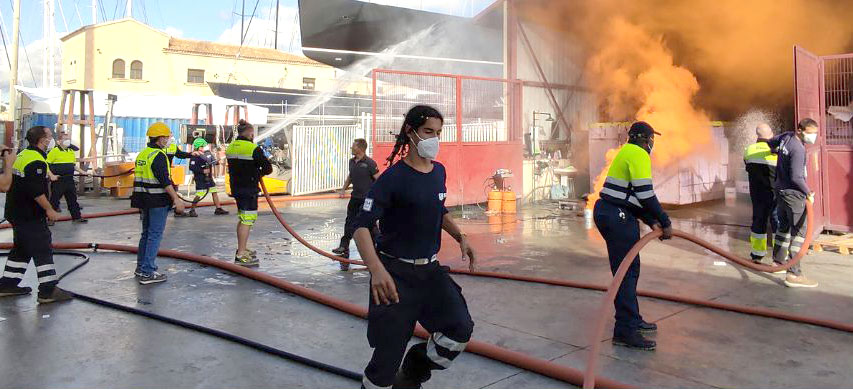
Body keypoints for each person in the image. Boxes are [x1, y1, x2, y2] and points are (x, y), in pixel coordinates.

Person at [352, 105, 476, 389]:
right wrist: (377, 271)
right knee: (386, 360)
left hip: (429, 273)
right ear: (411, 132)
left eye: (438, 133)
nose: (435, 139)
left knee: (459, 330)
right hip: (395, 277)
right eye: (428, 131)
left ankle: (411, 373)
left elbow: (438, 209)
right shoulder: (393, 179)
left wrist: (460, 236)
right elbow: (361, 227)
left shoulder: (438, 172)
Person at [593, 121, 672, 351]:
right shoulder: (639, 154)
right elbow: (645, 195)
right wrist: (665, 221)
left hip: (611, 211)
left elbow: (630, 196)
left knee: (629, 268)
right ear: (645, 139)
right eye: (652, 139)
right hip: (617, 216)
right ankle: (625, 331)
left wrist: (650, 221)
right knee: (626, 273)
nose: (652, 144)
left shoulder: (626, 151)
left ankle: (632, 319)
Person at [0, 126, 72, 303]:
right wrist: (49, 209)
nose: (52, 139)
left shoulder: (23, 155)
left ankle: (8, 284)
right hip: (29, 214)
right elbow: (36, 191)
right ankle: (48, 290)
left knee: (22, 248)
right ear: (43, 140)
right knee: (42, 247)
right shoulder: (36, 161)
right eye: (50, 136)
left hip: (15, 211)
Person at [767, 118, 820, 288]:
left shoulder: (786, 137)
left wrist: (776, 151)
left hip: (781, 191)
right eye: (810, 133)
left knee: (783, 227)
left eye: (815, 133)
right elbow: (796, 177)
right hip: (793, 194)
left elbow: (771, 142)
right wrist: (808, 192)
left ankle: (778, 263)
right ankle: (794, 273)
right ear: (800, 130)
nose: (813, 136)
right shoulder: (798, 149)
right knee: (799, 232)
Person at [131, 122, 186, 285]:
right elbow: (164, 181)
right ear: (160, 138)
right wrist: (176, 199)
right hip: (157, 200)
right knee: (154, 235)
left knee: (146, 234)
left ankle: (141, 267)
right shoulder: (159, 155)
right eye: (167, 137)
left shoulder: (143, 154)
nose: (168, 140)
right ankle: (148, 272)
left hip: (143, 199)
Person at [226, 120, 272, 267]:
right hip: (249, 189)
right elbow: (268, 168)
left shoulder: (231, 147)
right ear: (251, 134)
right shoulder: (253, 148)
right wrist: (258, 172)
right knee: (247, 220)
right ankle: (241, 254)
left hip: (236, 188)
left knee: (242, 218)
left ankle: (242, 248)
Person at [331, 138, 379, 270]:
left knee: (368, 224)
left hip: (367, 200)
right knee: (349, 222)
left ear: (359, 148)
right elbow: (350, 177)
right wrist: (343, 189)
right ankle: (344, 247)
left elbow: (379, 180)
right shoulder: (351, 162)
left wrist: (376, 196)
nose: (351, 148)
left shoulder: (370, 163)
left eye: (353, 146)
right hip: (355, 198)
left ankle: (378, 249)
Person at [744, 123, 778, 262]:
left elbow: (747, 166)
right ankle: (779, 256)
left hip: (757, 194)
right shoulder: (776, 150)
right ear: (771, 134)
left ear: (757, 135)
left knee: (758, 221)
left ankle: (757, 255)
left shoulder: (749, 149)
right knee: (777, 222)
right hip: (775, 193)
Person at [46, 131, 90, 224]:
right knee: (54, 200)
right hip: (59, 180)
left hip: (69, 180)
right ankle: (50, 219)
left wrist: (83, 172)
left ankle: (77, 217)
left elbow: (73, 166)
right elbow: (46, 164)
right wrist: (51, 175)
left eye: (68, 139)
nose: (67, 141)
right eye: (65, 139)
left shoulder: (70, 151)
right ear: (59, 141)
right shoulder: (54, 151)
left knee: (72, 199)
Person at [187, 138, 229, 217]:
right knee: (199, 194)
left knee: (214, 191)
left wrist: (217, 161)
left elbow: (213, 161)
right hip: (200, 179)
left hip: (209, 178)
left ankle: (218, 208)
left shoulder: (208, 154)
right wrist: (202, 171)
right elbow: (191, 167)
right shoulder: (195, 156)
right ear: (198, 147)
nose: (204, 147)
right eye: (203, 146)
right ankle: (192, 210)